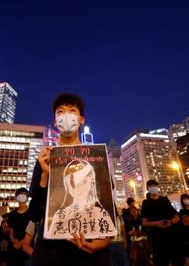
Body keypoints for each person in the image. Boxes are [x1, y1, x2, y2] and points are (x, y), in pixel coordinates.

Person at [28, 93, 112, 265]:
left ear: (81, 119)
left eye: (72, 110)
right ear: (55, 121)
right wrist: (45, 175)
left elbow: (109, 206)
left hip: (91, 253)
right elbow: (35, 214)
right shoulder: (46, 159)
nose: (66, 116)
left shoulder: (97, 158)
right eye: (60, 112)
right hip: (51, 254)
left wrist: (102, 242)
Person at [46, 158, 116, 239]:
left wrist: (99, 244)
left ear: (91, 183)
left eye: (84, 182)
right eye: (74, 182)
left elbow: (108, 238)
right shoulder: (59, 215)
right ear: (67, 185)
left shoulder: (100, 214)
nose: (79, 187)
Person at [141, 179, 181, 266]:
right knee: (161, 261)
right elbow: (144, 223)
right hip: (157, 239)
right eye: (150, 187)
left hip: (171, 236)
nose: (153, 188)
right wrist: (157, 223)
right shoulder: (146, 203)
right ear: (147, 189)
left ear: (158, 187)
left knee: (176, 260)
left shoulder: (165, 200)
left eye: (154, 186)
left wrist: (171, 222)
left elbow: (176, 217)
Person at [8, 187, 31, 266]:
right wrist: (14, 240)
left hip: (27, 248)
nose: (21, 196)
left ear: (27, 197)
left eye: (24, 194)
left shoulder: (32, 213)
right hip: (14, 248)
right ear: (16, 197)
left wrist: (22, 243)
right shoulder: (12, 214)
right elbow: (11, 231)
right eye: (19, 194)